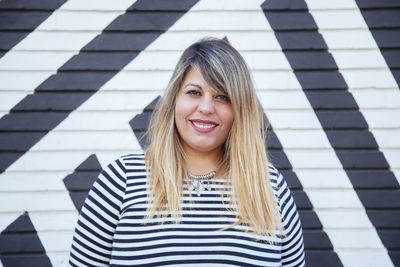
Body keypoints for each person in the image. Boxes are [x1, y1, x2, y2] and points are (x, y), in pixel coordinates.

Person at [69, 37, 306, 266]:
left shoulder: (269, 186)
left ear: (240, 111)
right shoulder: (122, 179)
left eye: (222, 97)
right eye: (194, 92)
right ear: (174, 100)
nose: (205, 108)